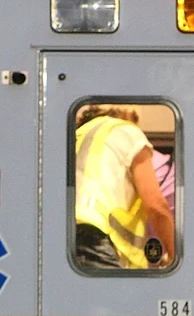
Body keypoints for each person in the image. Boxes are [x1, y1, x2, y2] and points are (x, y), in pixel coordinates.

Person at [74, 105, 175, 269]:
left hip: (61, 237)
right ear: (128, 114)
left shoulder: (78, 135)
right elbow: (156, 205)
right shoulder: (125, 130)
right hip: (93, 237)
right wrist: (175, 258)